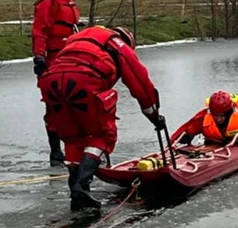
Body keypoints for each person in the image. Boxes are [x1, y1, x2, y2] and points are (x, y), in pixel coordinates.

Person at [38, 25, 165, 211]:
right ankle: (82, 185)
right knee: (102, 135)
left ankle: (77, 191)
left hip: (52, 83)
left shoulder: (77, 39)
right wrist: (154, 115)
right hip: (84, 80)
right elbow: (140, 83)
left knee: (73, 137)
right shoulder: (117, 44)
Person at [32, 0, 82, 165]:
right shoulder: (49, 2)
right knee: (54, 107)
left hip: (70, 60)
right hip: (53, 61)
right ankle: (55, 151)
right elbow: (39, 31)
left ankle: (75, 146)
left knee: (75, 105)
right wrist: (39, 58)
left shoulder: (68, 3)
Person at [174, 91, 238, 147]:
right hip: (213, 147)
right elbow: (187, 129)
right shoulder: (204, 117)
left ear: (229, 112)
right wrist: (187, 136)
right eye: (215, 115)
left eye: (222, 116)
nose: (218, 119)